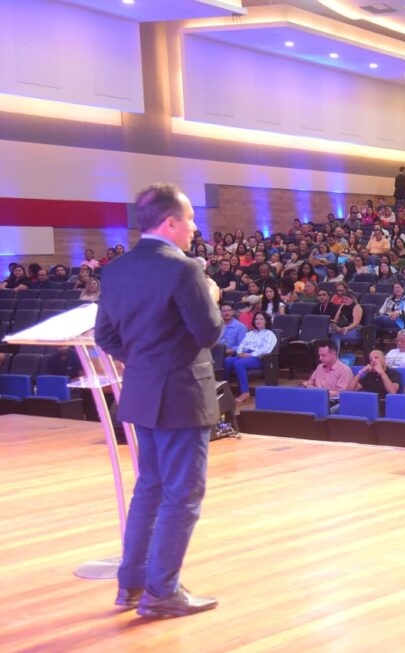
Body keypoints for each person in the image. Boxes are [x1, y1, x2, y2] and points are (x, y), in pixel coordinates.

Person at [94, 182, 224, 618]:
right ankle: (162, 591)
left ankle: (131, 585)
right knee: (183, 494)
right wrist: (212, 294)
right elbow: (208, 333)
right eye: (189, 219)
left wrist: (148, 362)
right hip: (183, 396)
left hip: (143, 394)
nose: (193, 227)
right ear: (170, 222)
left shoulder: (115, 270)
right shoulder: (185, 270)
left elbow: (105, 336)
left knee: (149, 488)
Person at [222, 312, 277, 404]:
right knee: (227, 361)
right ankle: (226, 390)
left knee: (239, 363)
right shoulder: (250, 333)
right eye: (256, 319)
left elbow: (266, 350)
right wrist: (239, 353)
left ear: (266, 321)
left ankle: (245, 393)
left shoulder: (269, 334)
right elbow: (241, 345)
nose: (258, 321)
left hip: (259, 358)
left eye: (261, 319)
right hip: (244, 355)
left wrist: (250, 355)